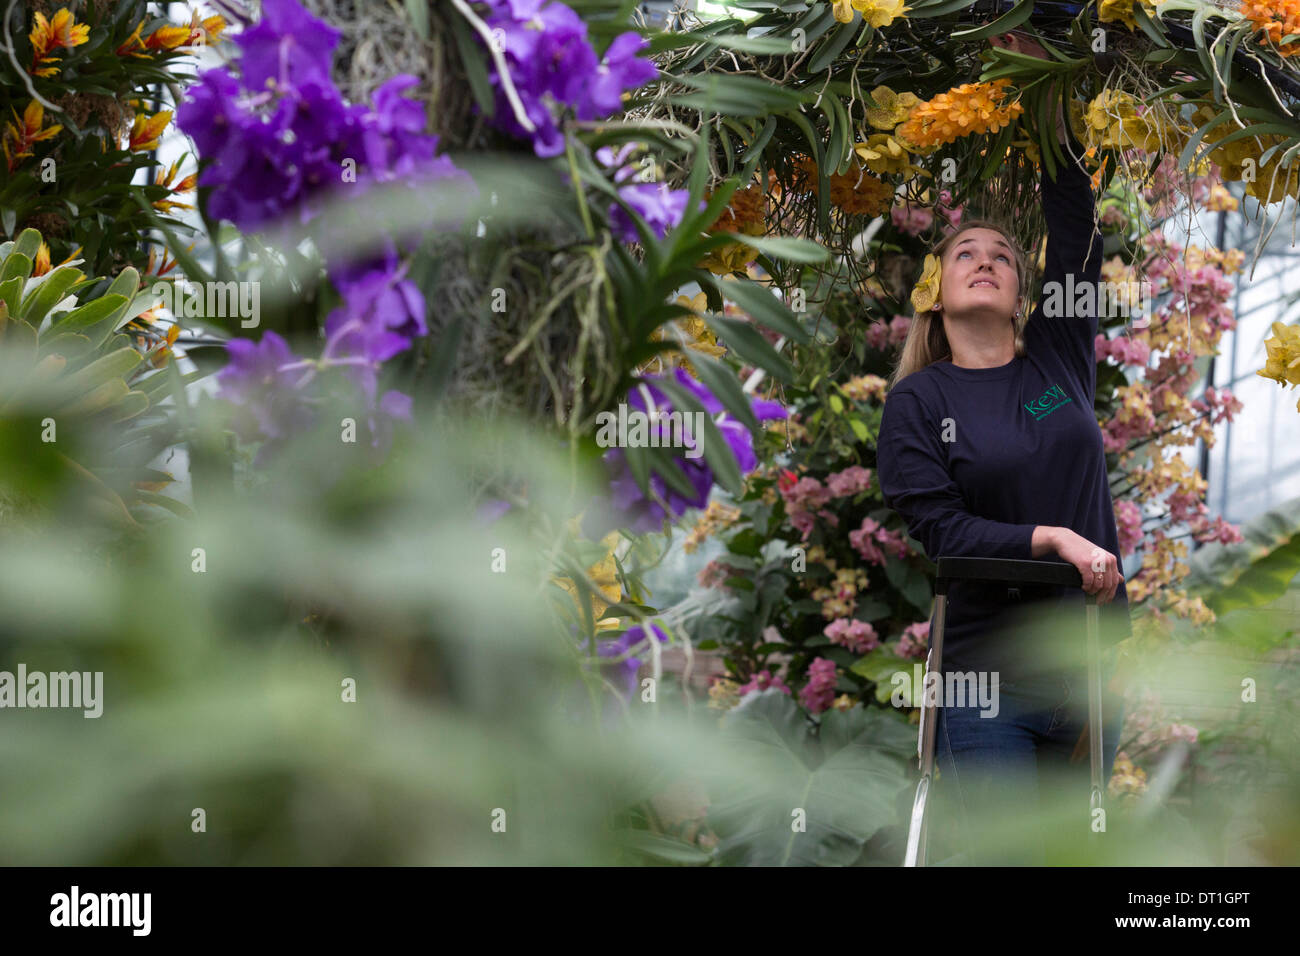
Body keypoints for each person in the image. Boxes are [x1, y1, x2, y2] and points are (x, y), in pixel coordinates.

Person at [875, 35, 1130, 865]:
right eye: (964, 254)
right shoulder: (920, 400)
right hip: (987, 682)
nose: (985, 261)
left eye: (1002, 257)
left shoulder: (1057, 359)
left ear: (1024, 291)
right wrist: (1052, 539)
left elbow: (1075, 228)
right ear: (935, 293)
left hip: (1090, 669)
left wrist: (1050, 89)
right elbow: (942, 534)